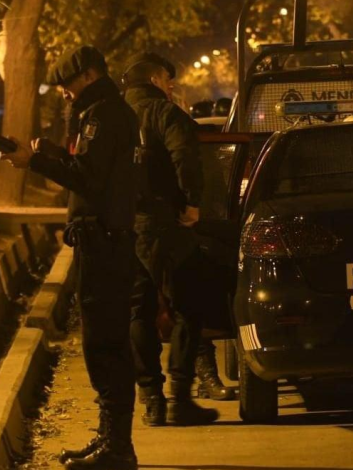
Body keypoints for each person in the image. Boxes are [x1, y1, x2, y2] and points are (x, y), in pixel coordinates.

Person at [1, 46, 139, 469]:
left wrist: (35, 162)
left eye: (67, 83)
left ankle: (117, 447)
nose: (63, 91)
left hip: (105, 245)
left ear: (89, 75)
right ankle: (110, 438)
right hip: (103, 242)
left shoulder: (103, 115)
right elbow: (92, 169)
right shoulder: (102, 112)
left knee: (105, 345)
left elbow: (88, 179)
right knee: (103, 343)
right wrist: (55, 154)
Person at [122, 52, 220, 425]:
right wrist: (192, 204)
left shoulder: (111, 118)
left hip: (123, 226)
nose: (171, 84)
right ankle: (180, 397)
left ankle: (151, 401)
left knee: (139, 312)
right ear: (154, 80)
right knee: (189, 306)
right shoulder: (165, 114)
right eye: (167, 78)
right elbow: (186, 159)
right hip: (165, 223)